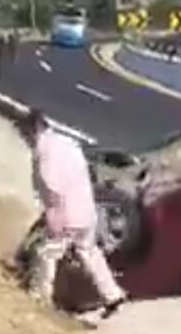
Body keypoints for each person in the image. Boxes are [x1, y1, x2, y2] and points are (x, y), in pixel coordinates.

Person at [20, 109, 126, 319]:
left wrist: (52, 217)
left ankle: (40, 297)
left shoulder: (45, 151)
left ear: (33, 130)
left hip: (66, 213)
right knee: (89, 252)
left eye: (25, 135)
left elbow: (52, 187)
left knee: (46, 253)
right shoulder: (67, 143)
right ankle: (113, 295)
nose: (26, 140)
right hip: (87, 209)